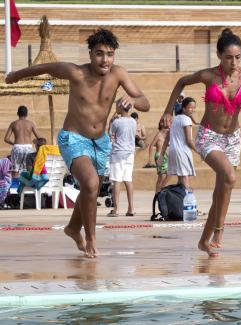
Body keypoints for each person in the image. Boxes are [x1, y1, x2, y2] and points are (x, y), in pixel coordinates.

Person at [6, 29, 150, 258]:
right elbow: (44, 68)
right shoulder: (75, 73)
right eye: (99, 54)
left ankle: (73, 228)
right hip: (73, 137)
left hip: (100, 142)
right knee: (91, 183)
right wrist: (16, 75)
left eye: (110, 54)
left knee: (90, 190)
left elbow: (145, 103)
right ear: (91, 54)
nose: (105, 60)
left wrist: (132, 99)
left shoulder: (118, 74)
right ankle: (91, 239)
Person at [159, 29, 241, 257]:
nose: (234, 62)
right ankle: (218, 230)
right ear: (219, 55)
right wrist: (167, 111)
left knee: (223, 189)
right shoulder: (208, 75)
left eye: (238, 57)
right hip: (209, 136)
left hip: (232, 139)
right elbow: (181, 82)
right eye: (229, 57)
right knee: (229, 177)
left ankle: (207, 239)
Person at [107, 100, 138, 218]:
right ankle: (131, 208)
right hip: (130, 153)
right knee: (128, 180)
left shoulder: (116, 122)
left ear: (120, 107)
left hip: (118, 152)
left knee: (117, 180)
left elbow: (111, 135)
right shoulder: (133, 122)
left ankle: (116, 209)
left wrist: (111, 121)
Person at [159, 97, 197, 189]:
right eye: (190, 108)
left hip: (173, 151)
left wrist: (161, 155)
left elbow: (167, 139)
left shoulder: (174, 119)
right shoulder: (186, 119)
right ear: (183, 108)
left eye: (194, 108)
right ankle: (187, 201)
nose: (192, 110)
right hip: (182, 152)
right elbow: (189, 140)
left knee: (180, 179)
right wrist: (199, 151)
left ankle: (179, 201)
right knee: (185, 179)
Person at [4, 105, 40, 177]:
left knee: (15, 171)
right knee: (29, 170)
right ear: (27, 114)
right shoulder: (31, 124)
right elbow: (40, 139)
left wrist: (14, 143)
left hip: (17, 147)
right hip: (28, 148)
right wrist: (35, 141)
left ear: (17, 113)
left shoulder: (13, 124)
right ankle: (28, 187)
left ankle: (15, 187)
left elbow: (6, 139)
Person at [147, 122, 169, 192]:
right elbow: (151, 146)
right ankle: (158, 193)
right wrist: (149, 159)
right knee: (161, 176)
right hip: (159, 156)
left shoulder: (166, 135)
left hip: (165, 156)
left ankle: (160, 192)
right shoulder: (158, 135)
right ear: (162, 125)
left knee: (166, 175)